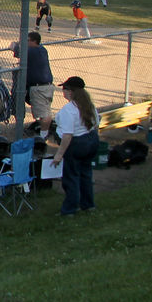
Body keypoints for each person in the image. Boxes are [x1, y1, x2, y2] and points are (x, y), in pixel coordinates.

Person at [50, 76, 99, 216]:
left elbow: (67, 135)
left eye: (64, 89)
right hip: (91, 140)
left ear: (71, 92)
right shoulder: (89, 105)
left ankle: (70, 209)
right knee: (86, 174)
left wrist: (59, 154)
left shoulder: (68, 110)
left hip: (76, 144)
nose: (63, 92)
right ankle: (88, 205)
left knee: (71, 177)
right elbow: (96, 124)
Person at [15, 31, 56, 139]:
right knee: (45, 112)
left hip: (40, 88)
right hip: (44, 87)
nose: (25, 42)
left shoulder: (32, 51)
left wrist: (13, 45)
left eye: (27, 40)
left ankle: (43, 137)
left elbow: (16, 49)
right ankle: (43, 132)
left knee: (44, 115)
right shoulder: (41, 49)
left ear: (34, 41)